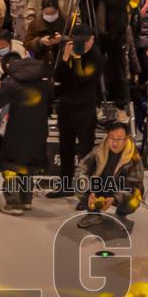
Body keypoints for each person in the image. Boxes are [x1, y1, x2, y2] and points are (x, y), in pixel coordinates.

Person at [0, 56, 50, 215]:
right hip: (39, 130)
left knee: (12, 165)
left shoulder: (11, 82)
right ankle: (26, 200)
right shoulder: (44, 82)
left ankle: (13, 203)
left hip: (16, 130)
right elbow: (51, 105)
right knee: (29, 163)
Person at [49, 23, 103, 199]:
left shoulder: (96, 56)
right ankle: (65, 185)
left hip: (85, 107)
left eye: (86, 41)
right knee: (66, 148)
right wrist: (65, 57)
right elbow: (58, 78)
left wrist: (77, 58)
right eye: (79, 41)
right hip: (66, 106)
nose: (83, 44)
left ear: (92, 39)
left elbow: (82, 79)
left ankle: (87, 192)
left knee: (86, 151)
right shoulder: (69, 51)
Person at [73, 123, 145, 230]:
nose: (115, 143)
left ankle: (121, 216)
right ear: (107, 137)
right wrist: (90, 190)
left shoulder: (133, 157)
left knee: (134, 198)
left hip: (119, 191)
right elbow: (82, 168)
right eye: (112, 138)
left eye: (119, 139)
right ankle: (94, 214)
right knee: (79, 184)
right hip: (99, 187)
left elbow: (135, 184)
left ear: (126, 139)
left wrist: (115, 198)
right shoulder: (99, 150)